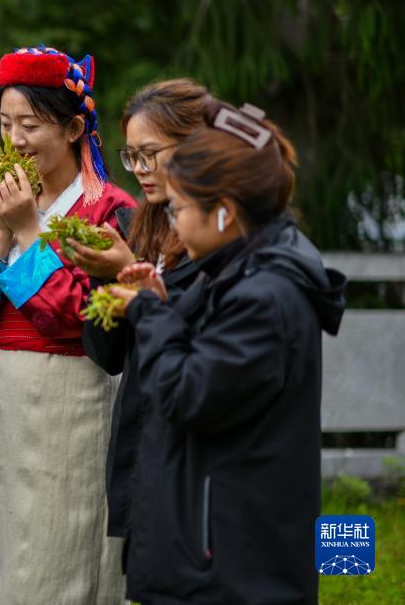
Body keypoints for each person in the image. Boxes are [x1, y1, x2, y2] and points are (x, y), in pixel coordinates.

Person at [107, 101, 345, 603]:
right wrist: (161, 305)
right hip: (215, 551)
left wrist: (150, 314)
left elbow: (187, 395)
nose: (173, 223)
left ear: (224, 211)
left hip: (230, 566)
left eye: (179, 209)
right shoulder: (240, 274)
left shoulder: (263, 295)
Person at [0, 45, 135, 604]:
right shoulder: (9, 206)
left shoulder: (108, 209)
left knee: (58, 539)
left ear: (74, 128)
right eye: (5, 124)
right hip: (1, 397)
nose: (15, 140)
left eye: (29, 125)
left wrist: (28, 230)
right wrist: (4, 232)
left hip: (72, 395)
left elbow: (73, 318)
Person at [76, 79, 213, 561]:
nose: (139, 169)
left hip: (197, 443)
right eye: (132, 156)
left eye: (150, 154)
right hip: (143, 433)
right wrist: (104, 276)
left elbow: (204, 341)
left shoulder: (220, 239)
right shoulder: (136, 227)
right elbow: (108, 354)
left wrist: (129, 276)